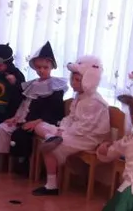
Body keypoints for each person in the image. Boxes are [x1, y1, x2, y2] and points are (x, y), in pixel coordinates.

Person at [31, 55, 109, 196]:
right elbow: (71, 118)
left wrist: (64, 132)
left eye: (78, 80)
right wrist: (61, 129)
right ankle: (51, 137)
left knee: (50, 149)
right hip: (72, 132)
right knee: (40, 126)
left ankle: (51, 186)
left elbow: (86, 127)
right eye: (73, 79)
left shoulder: (95, 101)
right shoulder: (79, 96)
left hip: (87, 138)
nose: (73, 83)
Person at [0, 41, 67, 170]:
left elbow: (55, 110)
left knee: (20, 135)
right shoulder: (33, 84)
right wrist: (16, 117)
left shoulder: (55, 86)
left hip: (41, 121)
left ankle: (23, 164)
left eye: (45, 67)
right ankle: (5, 159)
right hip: (25, 119)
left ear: (51, 67)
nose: (41, 70)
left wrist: (37, 121)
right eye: (39, 67)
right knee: (2, 127)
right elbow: (25, 104)